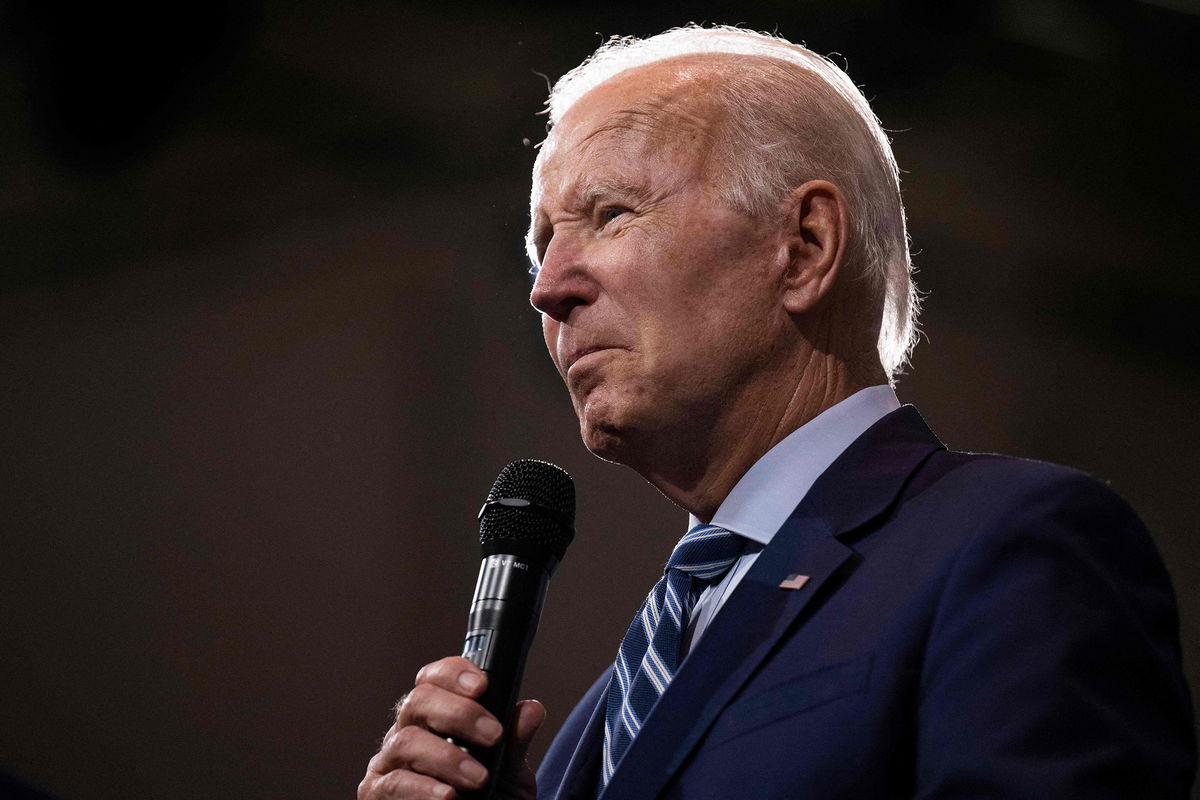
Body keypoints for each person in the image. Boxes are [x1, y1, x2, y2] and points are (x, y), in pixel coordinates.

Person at [358, 25, 1195, 800]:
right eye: (543, 248)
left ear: (804, 247)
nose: (548, 288)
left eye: (611, 215)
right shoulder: (598, 720)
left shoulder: (1012, 546)